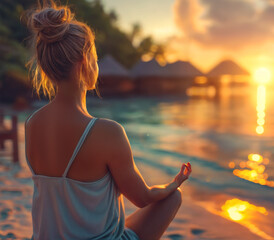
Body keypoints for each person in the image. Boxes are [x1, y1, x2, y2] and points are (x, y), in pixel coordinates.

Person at [24, 3, 192, 240]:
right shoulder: (106, 132)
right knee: (173, 198)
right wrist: (173, 184)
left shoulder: (31, 124)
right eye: (95, 55)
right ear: (85, 60)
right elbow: (142, 198)